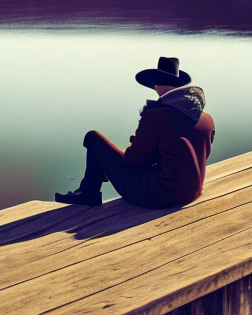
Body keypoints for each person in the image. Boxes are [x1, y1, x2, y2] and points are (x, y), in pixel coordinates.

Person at [55, 57, 215, 209]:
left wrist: (132, 146)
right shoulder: (205, 118)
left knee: (94, 138)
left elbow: (134, 161)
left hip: (159, 195)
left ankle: (88, 193)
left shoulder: (155, 116)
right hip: (191, 192)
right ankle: (89, 190)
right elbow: (183, 152)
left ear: (156, 84)